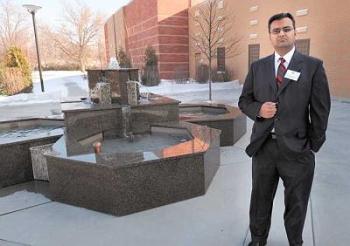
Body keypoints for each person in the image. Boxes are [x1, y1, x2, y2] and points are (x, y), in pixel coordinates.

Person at [238, 13, 331, 246]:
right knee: (259, 200)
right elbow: (244, 101)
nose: (281, 34)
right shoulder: (257, 67)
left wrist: (311, 145)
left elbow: (321, 110)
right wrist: (259, 109)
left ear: (295, 32)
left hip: (297, 151)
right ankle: (258, 240)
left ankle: (295, 242)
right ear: (270, 35)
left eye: (286, 29)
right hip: (264, 148)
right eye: (276, 30)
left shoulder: (312, 67)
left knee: (297, 203)